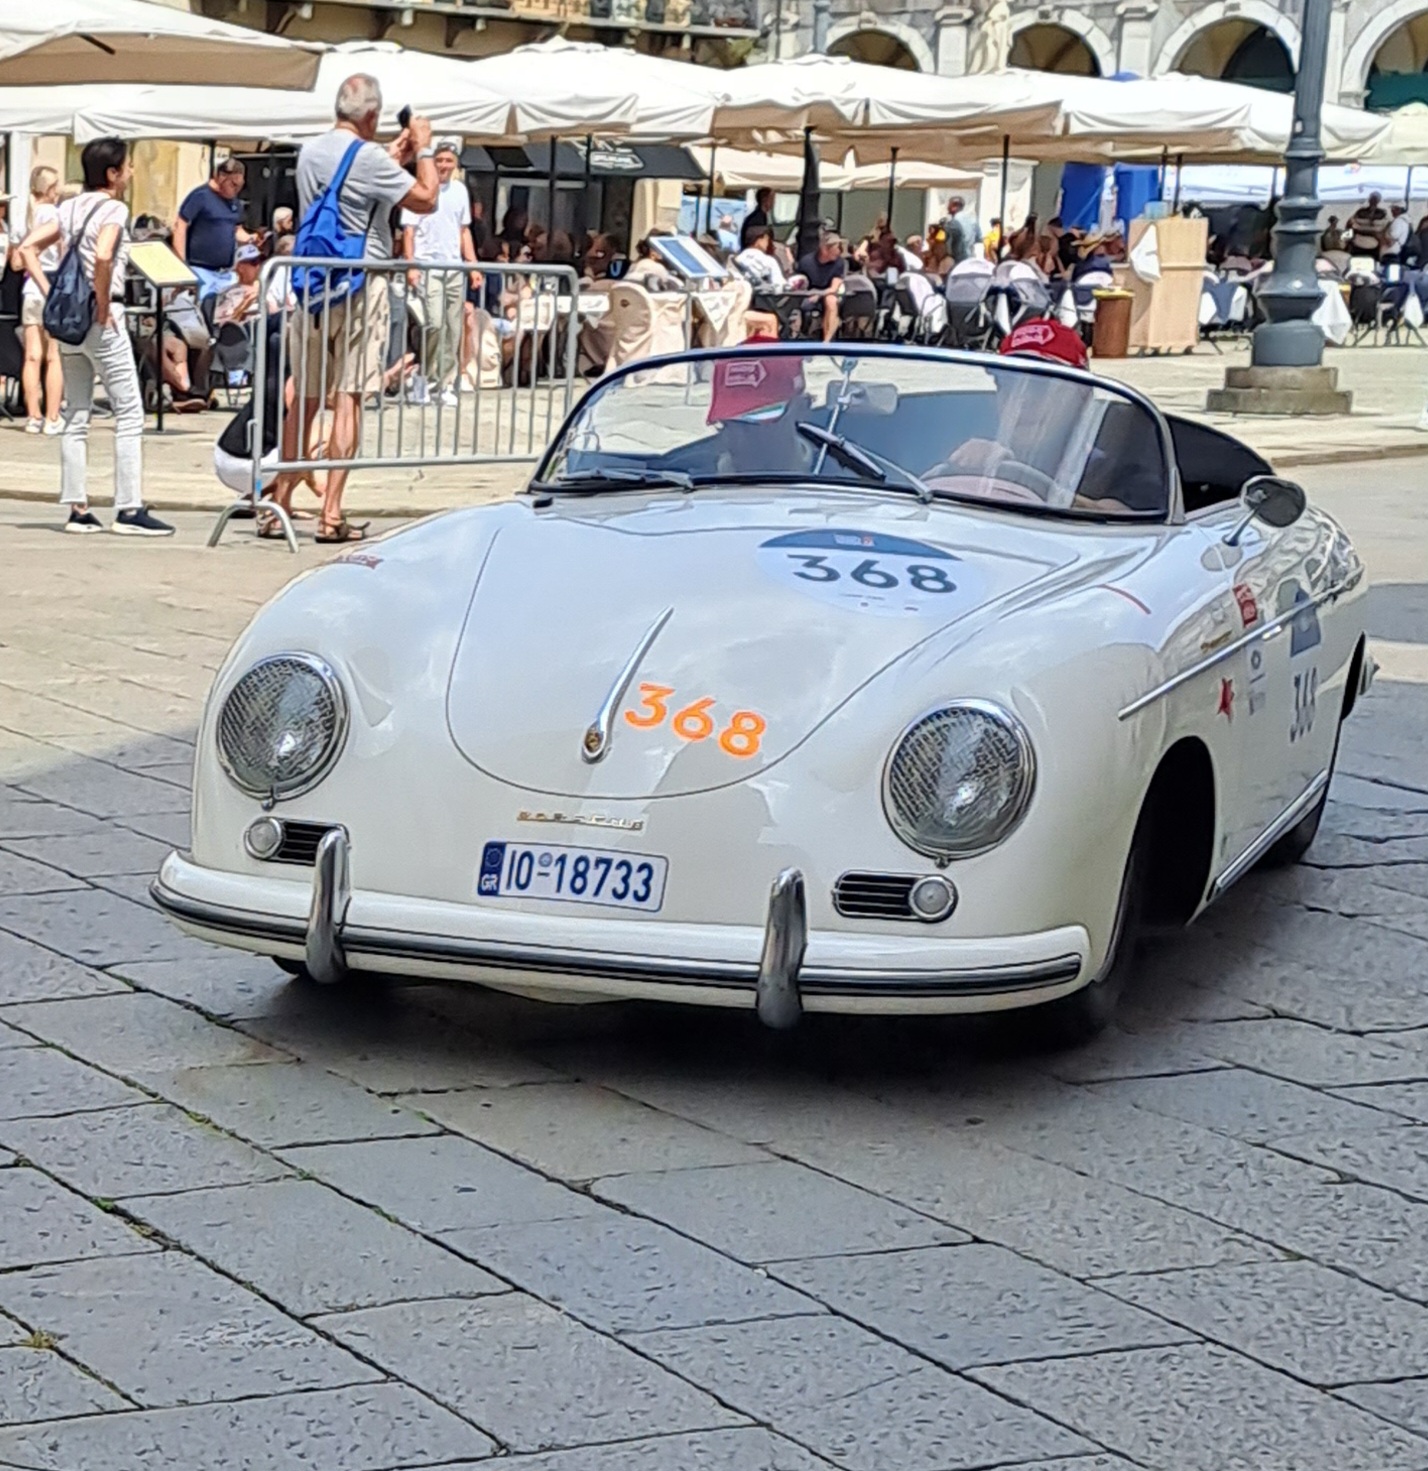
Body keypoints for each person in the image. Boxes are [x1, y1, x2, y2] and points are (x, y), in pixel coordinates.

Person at [267, 73, 438, 545]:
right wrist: (422, 148)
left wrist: (391, 156)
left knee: (302, 398)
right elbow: (426, 198)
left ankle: (279, 501)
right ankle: (331, 512)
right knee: (349, 398)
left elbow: (352, 181)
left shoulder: (310, 151)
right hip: (364, 284)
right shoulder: (368, 158)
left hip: (313, 285)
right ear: (371, 116)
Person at [18, 137, 173, 536]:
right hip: (103, 317)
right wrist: (103, 302)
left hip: (70, 320)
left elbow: (27, 248)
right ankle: (129, 507)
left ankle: (78, 508)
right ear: (112, 173)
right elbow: (104, 254)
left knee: (77, 413)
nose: (132, 172)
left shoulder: (68, 207)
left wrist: (49, 289)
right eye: (128, 166)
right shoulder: (115, 209)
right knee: (129, 411)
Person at [401, 136, 478, 408]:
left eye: (448, 161)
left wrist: (472, 265)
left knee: (453, 328)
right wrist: (411, 265)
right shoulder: (419, 188)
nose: (444, 165)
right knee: (432, 324)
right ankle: (425, 375)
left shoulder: (460, 191)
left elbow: (463, 230)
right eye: (440, 160)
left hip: (453, 267)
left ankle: (444, 383)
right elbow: (408, 231)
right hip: (427, 266)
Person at [19, 165, 63, 436]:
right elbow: (63, 249)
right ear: (50, 189)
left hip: (30, 288)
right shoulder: (55, 215)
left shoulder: (27, 215)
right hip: (51, 282)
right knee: (53, 357)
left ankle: (32, 415)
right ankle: (53, 415)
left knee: (31, 356)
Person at [173, 157, 254, 303]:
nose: (237, 189)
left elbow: (236, 230)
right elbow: (180, 226)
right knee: (203, 310)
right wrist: (182, 265)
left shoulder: (235, 202)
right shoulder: (201, 196)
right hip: (200, 270)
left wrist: (251, 238)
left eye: (240, 185)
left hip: (226, 274)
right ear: (221, 177)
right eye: (233, 184)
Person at [795, 231, 846, 343]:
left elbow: (834, 288)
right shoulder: (806, 262)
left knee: (831, 300)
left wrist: (819, 295)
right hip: (808, 294)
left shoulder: (839, 263)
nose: (839, 251)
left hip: (828, 293)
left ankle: (826, 342)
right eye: (837, 248)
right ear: (824, 249)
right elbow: (799, 284)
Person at [1348, 192, 1389, 258]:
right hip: (1359, 240)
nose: (1373, 202)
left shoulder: (1382, 213)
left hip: (1375, 242)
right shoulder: (1361, 211)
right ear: (1369, 200)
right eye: (1372, 199)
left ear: (1378, 201)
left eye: (1375, 200)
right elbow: (1351, 222)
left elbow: (1384, 226)